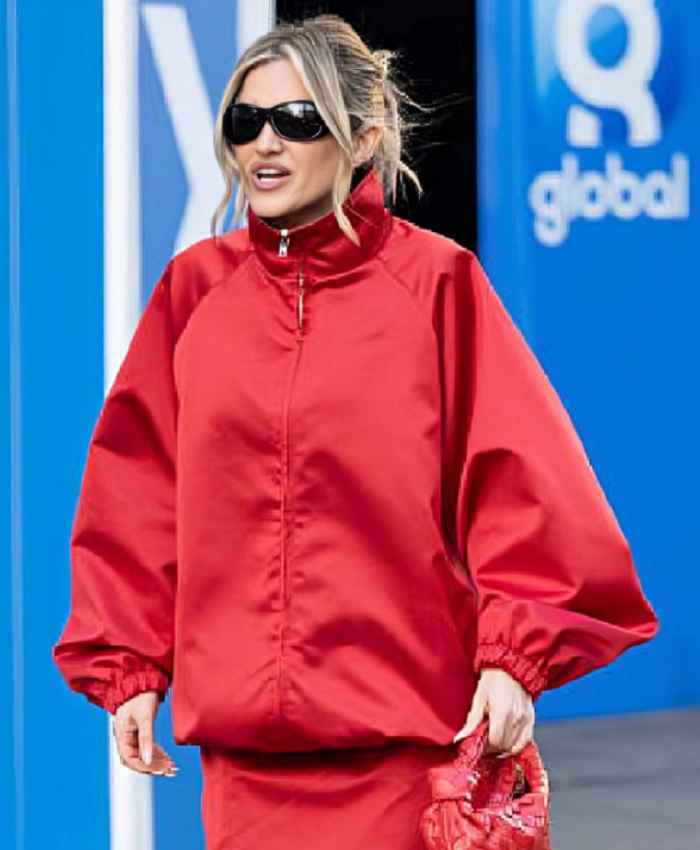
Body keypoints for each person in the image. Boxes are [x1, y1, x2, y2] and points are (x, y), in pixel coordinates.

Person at [53, 14, 658, 850]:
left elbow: (524, 481)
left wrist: (513, 661)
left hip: (405, 761)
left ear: (362, 138)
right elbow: (137, 493)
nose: (265, 143)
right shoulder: (194, 292)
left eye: (297, 120)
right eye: (245, 121)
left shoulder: (438, 284)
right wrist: (130, 662)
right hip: (245, 773)